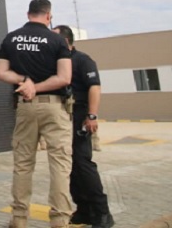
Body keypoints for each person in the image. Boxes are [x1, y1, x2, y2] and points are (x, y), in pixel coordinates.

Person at [0, 0, 73, 228]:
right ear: (48, 16)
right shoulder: (57, 40)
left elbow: (1, 73)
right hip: (54, 106)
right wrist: (36, 87)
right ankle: (60, 220)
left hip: (25, 106)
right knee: (59, 163)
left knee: (22, 163)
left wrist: (26, 81)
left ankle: (19, 219)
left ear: (28, 14)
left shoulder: (11, 38)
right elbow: (64, 78)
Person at [54, 25, 114, 228]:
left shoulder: (82, 60)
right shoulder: (56, 62)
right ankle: (83, 210)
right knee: (69, 166)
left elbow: (94, 88)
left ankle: (102, 212)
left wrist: (92, 115)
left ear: (65, 41)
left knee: (82, 163)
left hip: (80, 115)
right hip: (62, 117)